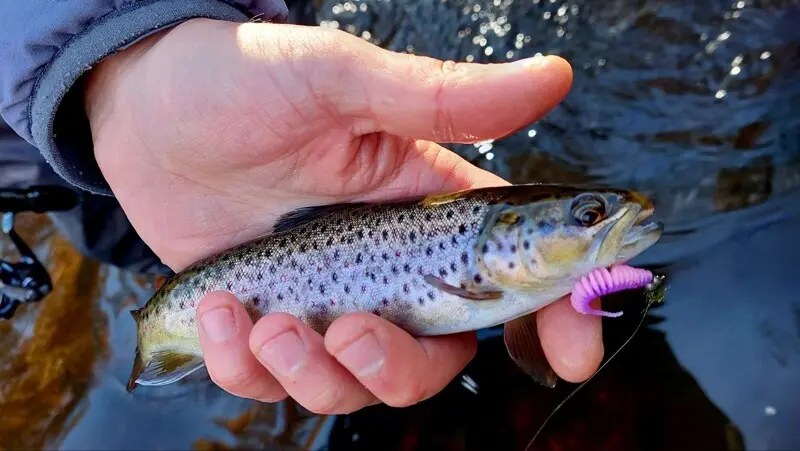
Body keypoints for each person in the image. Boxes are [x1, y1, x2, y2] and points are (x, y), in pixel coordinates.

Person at [0, 0, 605, 414]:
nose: (602, 221)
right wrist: (108, 66)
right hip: (45, 139)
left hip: (218, 47)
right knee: (137, 234)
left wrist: (132, 50)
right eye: (587, 216)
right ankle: (170, 308)